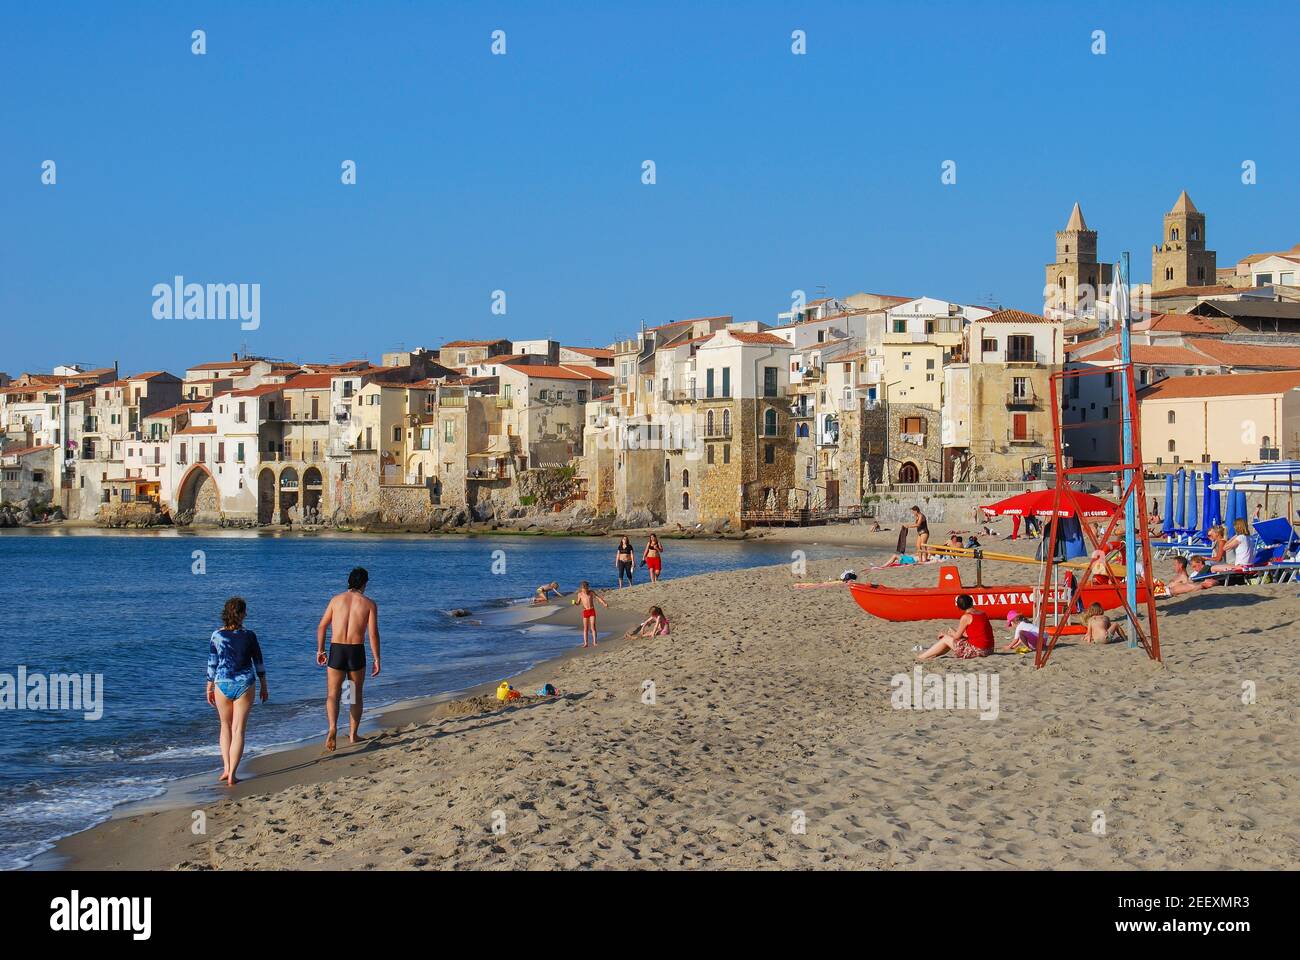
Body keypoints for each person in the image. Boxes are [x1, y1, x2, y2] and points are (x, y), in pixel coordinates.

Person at [315, 567, 381, 752]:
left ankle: (332, 728)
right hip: (355, 651)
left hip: (337, 649)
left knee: (333, 694)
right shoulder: (368, 603)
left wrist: (320, 650)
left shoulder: (336, 600)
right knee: (353, 693)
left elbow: (322, 627)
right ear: (364, 583)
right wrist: (377, 658)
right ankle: (353, 734)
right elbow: (373, 634)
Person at [206, 597, 268, 786]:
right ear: (240, 614)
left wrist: (209, 685)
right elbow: (258, 662)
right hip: (244, 683)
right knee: (238, 729)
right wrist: (264, 685)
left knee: (225, 727)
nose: (246, 614)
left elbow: (212, 663)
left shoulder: (216, 635)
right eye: (245, 611)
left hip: (222, 684)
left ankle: (226, 768)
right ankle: (233, 773)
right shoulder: (249, 636)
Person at [916, 594, 994, 661]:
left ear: (959, 607)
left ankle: (922, 657)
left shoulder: (966, 617)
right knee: (949, 639)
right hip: (989, 649)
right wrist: (952, 633)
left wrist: (949, 633)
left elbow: (957, 637)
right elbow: (971, 635)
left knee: (946, 639)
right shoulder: (983, 613)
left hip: (978, 651)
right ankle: (933, 656)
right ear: (972, 602)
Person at [575, 580, 608, 647]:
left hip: (592, 610)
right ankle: (586, 643)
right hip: (585, 611)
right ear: (581, 588)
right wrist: (575, 603)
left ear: (588, 587)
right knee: (585, 628)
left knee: (592, 626)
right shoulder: (580, 594)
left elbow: (598, 598)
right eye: (583, 589)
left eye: (586, 589)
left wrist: (604, 603)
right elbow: (578, 603)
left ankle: (595, 642)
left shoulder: (591, 592)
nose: (585, 591)